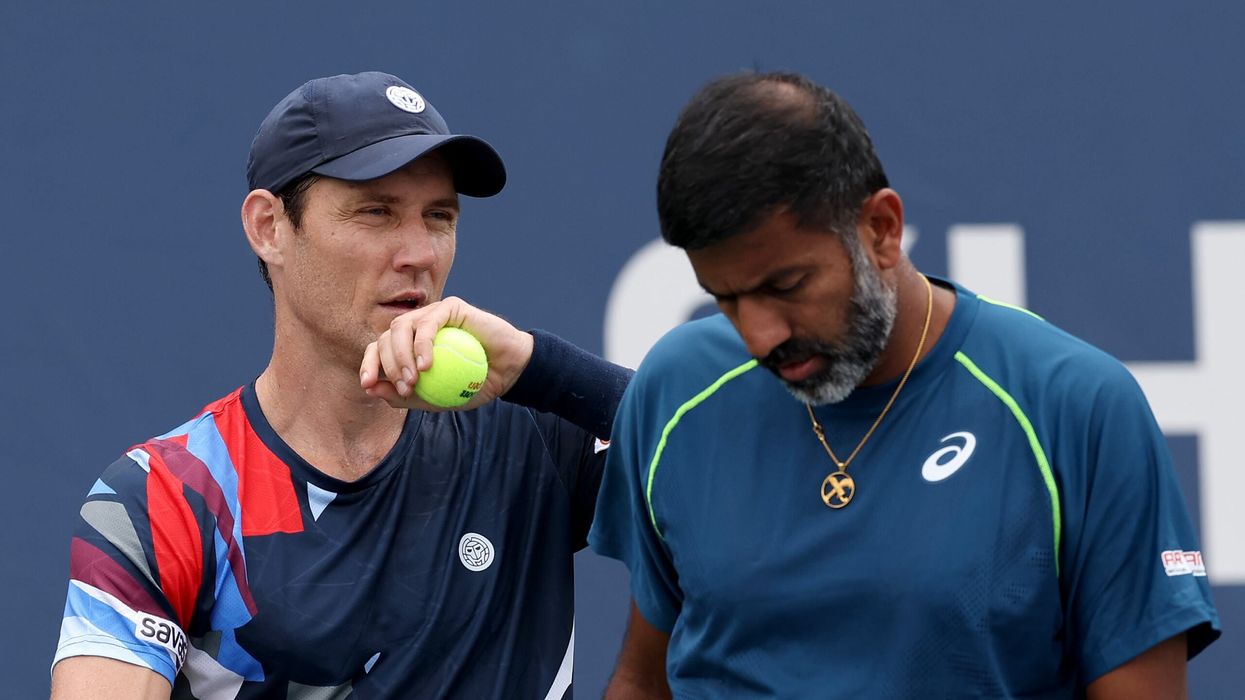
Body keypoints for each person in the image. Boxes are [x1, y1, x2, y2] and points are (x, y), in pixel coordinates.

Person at [588, 71, 1221, 698]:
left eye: (784, 287)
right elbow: (644, 680)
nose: (759, 337)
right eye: (725, 298)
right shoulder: (674, 388)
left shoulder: (1079, 406)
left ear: (882, 229)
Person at [51, 71, 631, 699]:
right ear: (269, 227)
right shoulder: (164, 498)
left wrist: (536, 365)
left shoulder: (540, 433)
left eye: (439, 217)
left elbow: (741, 459)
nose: (419, 253)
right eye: (375, 211)